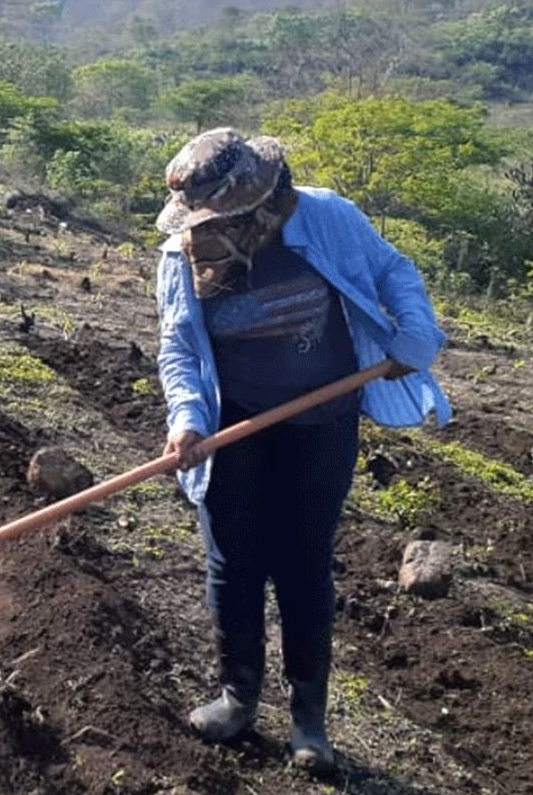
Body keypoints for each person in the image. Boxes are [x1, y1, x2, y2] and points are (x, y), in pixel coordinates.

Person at [152, 128, 452, 771]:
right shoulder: (184, 254)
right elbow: (179, 347)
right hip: (233, 422)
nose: (216, 230)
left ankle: (308, 722)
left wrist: (413, 335)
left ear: (265, 201)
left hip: (322, 421)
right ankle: (237, 698)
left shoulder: (327, 217)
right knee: (232, 561)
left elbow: (392, 270)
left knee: (303, 561)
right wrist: (186, 420)